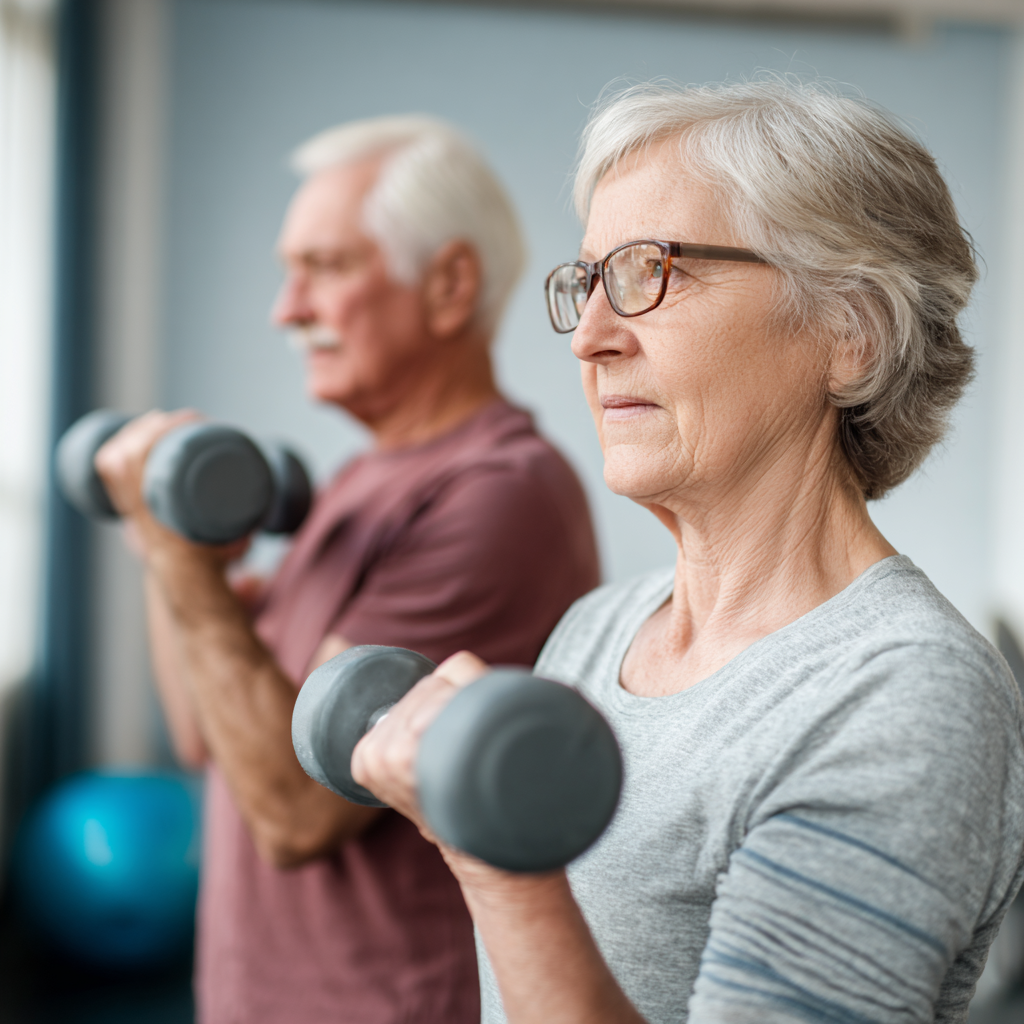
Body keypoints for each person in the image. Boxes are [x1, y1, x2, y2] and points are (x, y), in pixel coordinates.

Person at [351, 81, 1024, 1023]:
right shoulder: (596, 632)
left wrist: (496, 859)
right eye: (588, 281)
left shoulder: (902, 694)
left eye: (650, 270)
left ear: (849, 332)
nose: (589, 338)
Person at [94, 116, 600, 1024]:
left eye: (324, 269)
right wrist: (168, 553)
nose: (286, 309)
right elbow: (204, 740)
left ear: (449, 285)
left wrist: (187, 571)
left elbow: (295, 815)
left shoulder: (496, 496)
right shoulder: (358, 482)